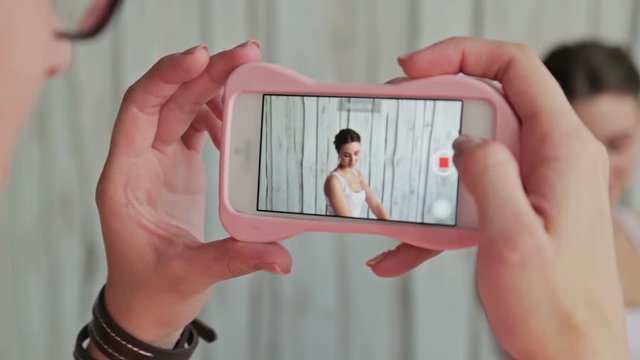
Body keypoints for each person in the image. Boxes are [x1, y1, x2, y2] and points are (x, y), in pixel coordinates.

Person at [0, 1, 629, 358]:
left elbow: (377, 208)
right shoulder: (333, 182)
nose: (60, 52)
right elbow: (358, 205)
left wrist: (138, 324)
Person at [543, 40, 640, 359]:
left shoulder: (634, 226)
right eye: (582, 144)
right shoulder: (530, 250)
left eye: (619, 144)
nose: (602, 164)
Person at [324, 128, 390, 219]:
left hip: (355, 228)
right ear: (338, 152)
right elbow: (347, 221)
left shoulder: (358, 175)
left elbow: (375, 205)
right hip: (340, 230)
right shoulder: (334, 181)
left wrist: (391, 224)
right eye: (347, 155)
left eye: (356, 154)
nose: (353, 160)